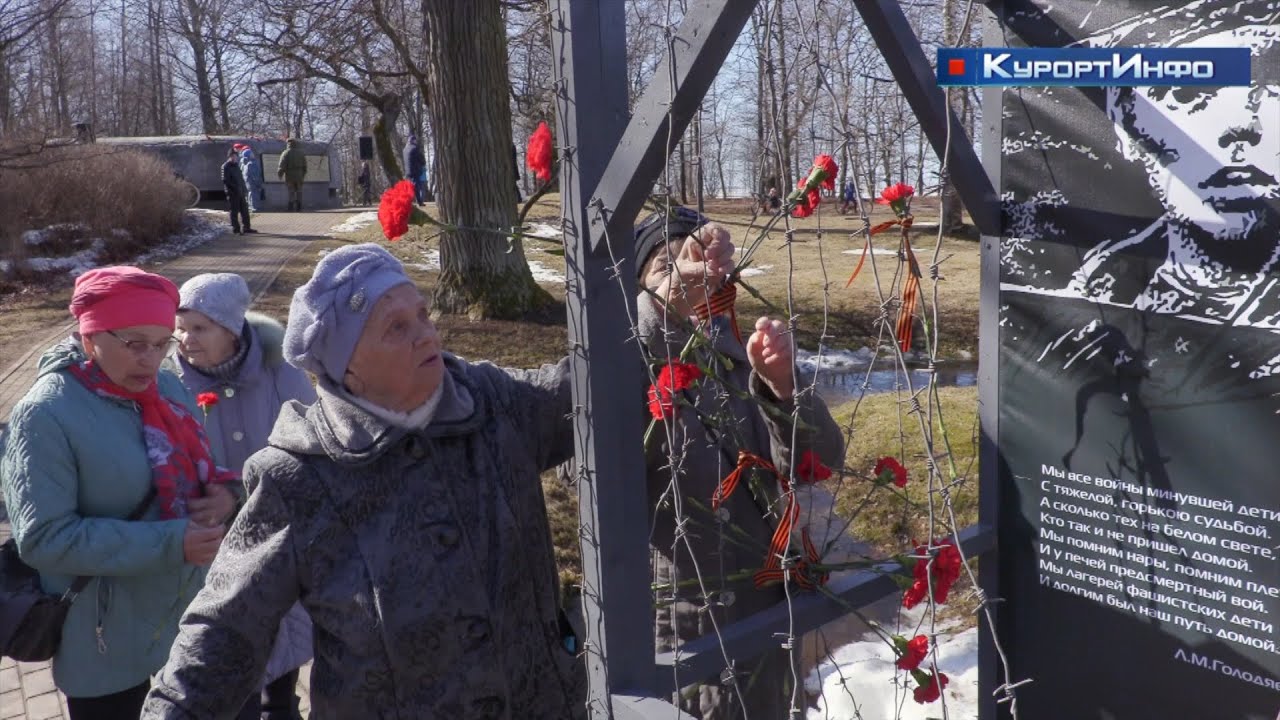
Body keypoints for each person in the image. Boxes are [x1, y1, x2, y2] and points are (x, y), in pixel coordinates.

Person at [142, 244, 592, 719]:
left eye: (421, 314)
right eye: (396, 327)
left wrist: (659, 302)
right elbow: (224, 631)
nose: (425, 334)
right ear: (347, 369)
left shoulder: (495, 404)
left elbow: (593, 385)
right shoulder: (300, 476)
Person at [624, 207, 845, 718]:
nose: (687, 279)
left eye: (699, 264)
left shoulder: (743, 355)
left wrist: (783, 387)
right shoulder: (621, 359)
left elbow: (821, 461)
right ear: (637, 289)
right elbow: (584, 474)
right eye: (666, 265)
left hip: (763, 622)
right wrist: (660, 319)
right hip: (677, 632)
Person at [0, 267, 236, 720]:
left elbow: (200, 468)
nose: (150, 359)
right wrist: (173, 543)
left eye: (162, 342)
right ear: (90, 339)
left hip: (182, 620)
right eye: (134, 343)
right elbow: (43, 538)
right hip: (103, 640)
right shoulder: (45, 415)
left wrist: (225, 493)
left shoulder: (165, 387)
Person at [169, 273, 317, 720]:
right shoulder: (167, 384)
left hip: (280, 540)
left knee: (282, 673)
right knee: (232, 682)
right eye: (180, 326)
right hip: (208, 550)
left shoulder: (282, 374)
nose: (184, 339)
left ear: (231, 330)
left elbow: (311, 450)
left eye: (199, 328)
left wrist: (241, 495)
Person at [224, 148, 256, 235]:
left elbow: (241, 179)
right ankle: (236, 229)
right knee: (234, 211)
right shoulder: (226, 166)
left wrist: (243, 189)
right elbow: (226, 181)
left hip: (241, 191)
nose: (235, 158)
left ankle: (246, 227)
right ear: (230, 157)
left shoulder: (236, 166)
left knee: (245, 211)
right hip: (233, 193)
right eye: (234, 156)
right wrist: (233, 189)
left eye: (236, 156)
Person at [276, 138, 308, 212]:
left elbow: (281, 164)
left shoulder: (286, 152)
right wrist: (303, 174)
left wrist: (280, 174)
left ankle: (290, 208)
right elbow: (305, 165)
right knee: (299, 191)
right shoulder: (301, 153)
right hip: (299, 174)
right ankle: (299, 207)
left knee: (291, 191)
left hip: (290, 175)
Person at [239, 145, 264, 213]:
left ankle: (251, 207)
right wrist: (259, 184)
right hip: (253, 183)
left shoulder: (244, 164)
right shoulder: (252, 164)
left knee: (250, 194)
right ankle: (255, 208)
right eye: (251, 153)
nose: (253, 154)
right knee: (254, 195)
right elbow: (255, 176)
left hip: (248, 183)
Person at [403, 133, 427, 203]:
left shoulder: (404, 149)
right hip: (415, 170)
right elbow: (421, 160)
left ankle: (416, 201)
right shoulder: (415, 148)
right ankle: (419, 201)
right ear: (413, 141)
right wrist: (422, 163)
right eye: (415, 140)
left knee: (411, 186)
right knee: (417, 187)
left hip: (408, 171)